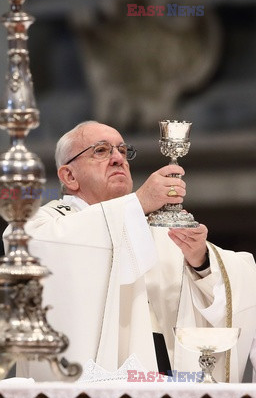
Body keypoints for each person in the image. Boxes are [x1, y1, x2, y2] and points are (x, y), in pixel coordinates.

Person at [13, 121, 256, 382]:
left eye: (122, 150)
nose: (118, 159)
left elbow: (239, 279)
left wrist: (201, 262)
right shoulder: (44, 223)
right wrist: (138, 202)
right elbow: (38, 250)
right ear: (69, 176)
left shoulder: (153, 226)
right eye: (101, 151)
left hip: (165, 376)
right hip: (87, 388)